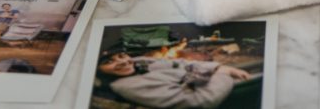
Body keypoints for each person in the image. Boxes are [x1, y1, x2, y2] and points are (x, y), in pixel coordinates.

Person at [96, 51, 252, 108]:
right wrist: (222, 73)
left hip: (210, 80)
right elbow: (198, 102)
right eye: (108, 62)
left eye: (121, 55)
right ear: (98, 71)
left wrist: (217, 67)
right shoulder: (127, 86)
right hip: (221, 95)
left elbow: (183, 63)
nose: (123, 61)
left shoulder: (138, 62)